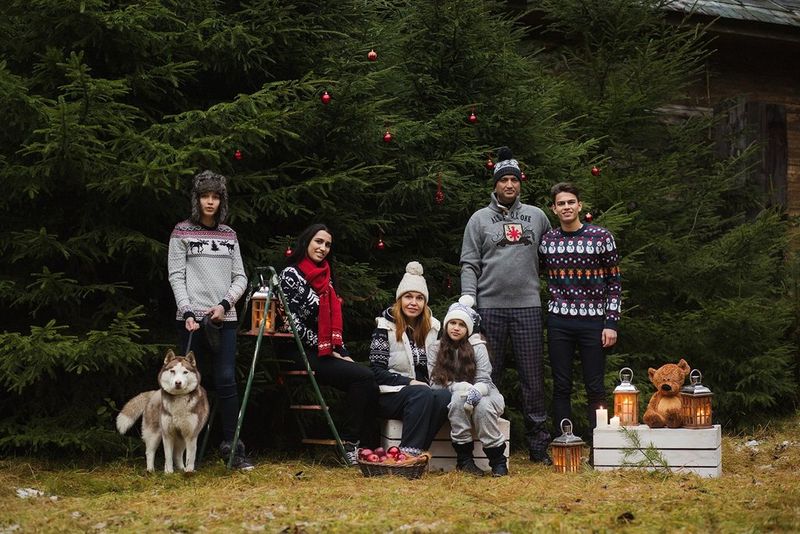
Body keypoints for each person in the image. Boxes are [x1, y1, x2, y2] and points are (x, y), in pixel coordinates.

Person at [460, 146, 553, 464]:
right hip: (489, 309)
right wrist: (468, 299)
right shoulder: (479, 219)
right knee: (487, 377)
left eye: (514, 180)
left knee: (532, 378)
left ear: (520, 184)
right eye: (504, 180)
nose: (509, 185)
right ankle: (490, 446)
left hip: (528, 307)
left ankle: (539, 446)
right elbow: (469, 264)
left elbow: (551, 259)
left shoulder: (537, 217)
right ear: (495, 184)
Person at [167, 170, 253, 470]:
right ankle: (184, 451)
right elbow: (176, 276)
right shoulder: (181, 232)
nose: (210, 202)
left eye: (216, 197)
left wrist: (225, 303)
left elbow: (240, 276)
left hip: (223, 318)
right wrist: (188, 310)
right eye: (205, 196)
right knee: (188, 384)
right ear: (197, 198)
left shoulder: (229, 235)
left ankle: (233, 448)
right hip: (190, 320)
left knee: (227, 379)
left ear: (222, 201)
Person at [279, 223, 379, 466]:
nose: (323, 248)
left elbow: (333, 326)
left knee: (368, 379)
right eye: (318, 242)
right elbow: (289, 325)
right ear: (307, 242)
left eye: (327, 245)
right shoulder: (290, 276)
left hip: (323, 351)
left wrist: (342, 352)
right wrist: (329, 349)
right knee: (362, 378)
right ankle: (349, 446)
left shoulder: (327, 280)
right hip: (296, 351)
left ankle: (371, 450)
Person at [539, 182, 621, 432]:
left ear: (579, 205)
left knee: (595, 386)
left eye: (570, 202)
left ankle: (600, 446)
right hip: (559, 322)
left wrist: (611, 323)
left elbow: (614, 281)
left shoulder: (601, 237)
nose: (566, 207)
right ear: (554, 209)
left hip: (594, 323)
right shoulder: (547, 242)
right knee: (562, 385)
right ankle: (564, 442)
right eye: (561, 203)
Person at [368, 261, 450, 457]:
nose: (414, 302)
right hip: (390, 394)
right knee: (421, 393)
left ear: (425, 303)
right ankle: (406, 455)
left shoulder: (433, 329)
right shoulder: (384, 327)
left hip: (423, 395)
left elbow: (437, 368)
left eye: (419, 298)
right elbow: (376, 373)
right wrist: (410, 382)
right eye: (408, 297)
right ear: (400, 299)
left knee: (445, 397)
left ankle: (415, 454)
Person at [429, 296, 508, 477]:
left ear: (468, 329)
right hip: (453, 394)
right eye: (453, 323)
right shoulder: (435, 348)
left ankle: (498, 461)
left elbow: (485, 381)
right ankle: (464, 460)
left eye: (461, 325)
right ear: (446, 324)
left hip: (485, 392)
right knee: (457, 400)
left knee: (482, 407)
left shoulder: (478, 347)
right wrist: (458, 388)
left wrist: (475, 391)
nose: (456, 328)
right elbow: (434, 383)